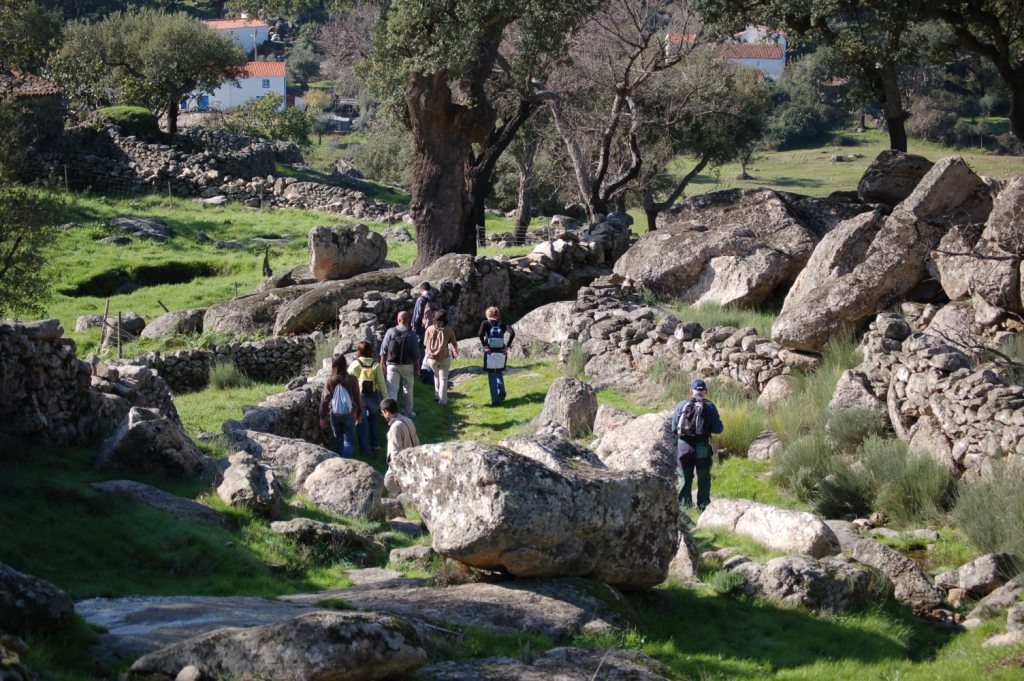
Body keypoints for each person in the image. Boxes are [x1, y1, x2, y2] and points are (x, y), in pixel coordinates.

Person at [671, 378, 724, 511]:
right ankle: (703, 507)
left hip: (683, 447)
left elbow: (673, 428)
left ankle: (684, 508)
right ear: (705, 391)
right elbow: (718, 429)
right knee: (703, 478)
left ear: (691, 391)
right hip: (702, 447)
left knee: (684, 478)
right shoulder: (710, 406)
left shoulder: (681, 405)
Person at [319, 354, 362, 458]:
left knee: (338, 439)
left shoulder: (330, 380)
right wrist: (359, 413)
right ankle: (346, 461)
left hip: (335, 413)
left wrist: (322, 417)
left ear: (333, 365)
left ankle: (339, 461)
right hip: (350, 413)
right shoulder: (352, 379)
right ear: (345, 364)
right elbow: (357, 397)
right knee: (348, 440)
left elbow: (324, 400)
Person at [349, 340, 386, 456]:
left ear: (359, 351)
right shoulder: (376, 365)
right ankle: (376, 445)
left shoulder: (354, 365)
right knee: (374, 421)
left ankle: (365, 451)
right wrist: (386, 399)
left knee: (362, 423)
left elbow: (348, 382)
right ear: (371, 351)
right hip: (374, 396)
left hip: (359, 397)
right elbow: (382, 384)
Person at [379, 310, 420, 417]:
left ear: (398, 320)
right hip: (408, 365)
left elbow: (383, 350)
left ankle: (392, 414)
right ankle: (408, 412)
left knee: (392, 390)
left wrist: (382, 364)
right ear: (408, 321)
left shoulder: (390, 332)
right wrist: (417, 368)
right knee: (408, 389)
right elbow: (416, 354)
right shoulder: (412, 334)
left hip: (392, 365)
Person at [478, 306, 515, 406]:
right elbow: (512, 333)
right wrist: (507, 346)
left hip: (489, 352)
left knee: (491, 376)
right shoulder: (502, 323)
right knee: (498, 372)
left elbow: (480, 334)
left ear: (488, 314)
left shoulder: (485, 323)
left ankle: (495, 401)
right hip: (501, 352)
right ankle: (502, 393)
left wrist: (484, 346)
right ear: (497, 314)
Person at [381, 397, 419, 495]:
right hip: (414, 461)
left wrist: (396, 473)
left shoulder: (394, 428)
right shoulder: (409, 420)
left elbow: (394, 452)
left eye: (382, 413)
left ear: (387, 412)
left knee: (387, 489)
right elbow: (417, 441)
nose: (383, 415)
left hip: (401, 465)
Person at [423, 309, 459, 404]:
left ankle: (436, 395)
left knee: (436, 375)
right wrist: (455, 351)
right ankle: (442, 401)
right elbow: (455, 344)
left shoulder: (429, 329)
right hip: (444, 358)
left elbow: (425, 343)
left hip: (432, 359)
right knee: (443, 379)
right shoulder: (448, 330)